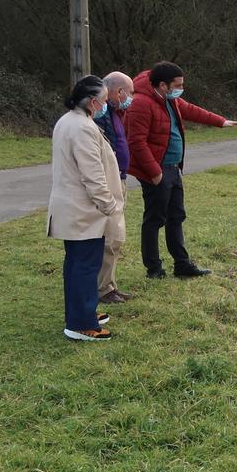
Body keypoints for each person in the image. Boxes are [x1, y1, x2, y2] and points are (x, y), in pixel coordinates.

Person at [125, 61, 237, 279]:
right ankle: (154, 269)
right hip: (157, 172)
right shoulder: (141, 103)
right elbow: (136, 142)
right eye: (177, 85)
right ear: (162, 85)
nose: (180, 89)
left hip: (174, 169)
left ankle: (182, 264)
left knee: (176, 216)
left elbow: (191, 110)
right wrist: (155, 172)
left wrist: (221, 121)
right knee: (155, 219)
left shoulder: (170, 100)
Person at [47, 75, 125, 341]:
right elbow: (92, 175)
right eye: (104, 100)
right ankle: (81, 324)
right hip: (84, 210)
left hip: (76, 209)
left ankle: (83, 311)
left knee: (77, 264)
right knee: (85, 266)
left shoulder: (70, 121)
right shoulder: (81, 127)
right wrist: (110, 206)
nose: (106, 104)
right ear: (92, 102)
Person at [94, 72, 134, 303]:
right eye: (130, 92)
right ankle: (103, 289)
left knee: (115, 238)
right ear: (119, 92)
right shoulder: (101, 115)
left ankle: (109, 285)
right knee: (111, 237)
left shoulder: (115, 112)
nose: (132, 97)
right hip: (109, 182)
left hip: (119, 178)